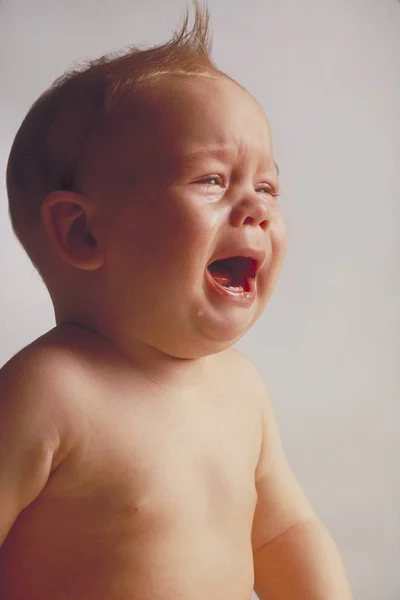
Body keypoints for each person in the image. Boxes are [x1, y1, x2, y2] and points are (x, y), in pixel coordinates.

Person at [0, 2, 354, 598]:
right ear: (83, 233)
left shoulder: (240, 389)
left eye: (267, 185)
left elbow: (282, 533)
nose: (258, 208)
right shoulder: (48, 393)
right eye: (212, 179)